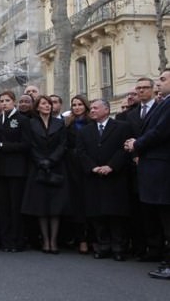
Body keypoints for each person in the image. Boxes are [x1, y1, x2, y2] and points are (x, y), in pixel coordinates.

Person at [124, 69, 170, 279]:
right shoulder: (164, 104)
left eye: (162, 79)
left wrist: (137, 145)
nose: (159, 84)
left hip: (162, 168)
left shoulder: (167, 105)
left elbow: (160, 132)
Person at [77, 99, 131, 261]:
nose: (92, 110)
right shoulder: (85, 131)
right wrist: (92, 167)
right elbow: (80, 152)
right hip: (93, 178)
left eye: (95, 108)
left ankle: (118, 247)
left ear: (106, 110)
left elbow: (124, 149)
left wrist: (111, 166)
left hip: (114, 177)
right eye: (91, 108)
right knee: (97, 214)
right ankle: (103, 245)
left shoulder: (122, 127)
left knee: (115, 215)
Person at [21, 95, 69, 254]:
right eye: (43, 103)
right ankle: (45, 241)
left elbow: (63, 145)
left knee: (55, 207)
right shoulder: (31, 123)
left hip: (56, 167)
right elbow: (30, 145)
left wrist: (51, 160)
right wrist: (40, 161)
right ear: (37, 107)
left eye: (49, 104)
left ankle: (53, 242)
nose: (47, 106)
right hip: (37, 167)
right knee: (41, 206)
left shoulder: (60, 123)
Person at [0, 91, 30, 252]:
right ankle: (5, 241)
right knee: (3, 207)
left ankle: (17, 241)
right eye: (2, 101)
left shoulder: (22, 120)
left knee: (16, 206)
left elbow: (26, 145)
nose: (4, 103)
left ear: (14, 102)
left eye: (7, 100)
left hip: (16, 169)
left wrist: (2, 146)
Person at [64, 95, 92, 254]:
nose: (76, 107)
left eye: (80, 104)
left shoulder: (92, 122)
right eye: (74, 105)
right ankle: (81, 239)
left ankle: (93, 238)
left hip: (90, 168)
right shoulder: (68, 124)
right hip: (73, 169)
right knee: (78, 206)